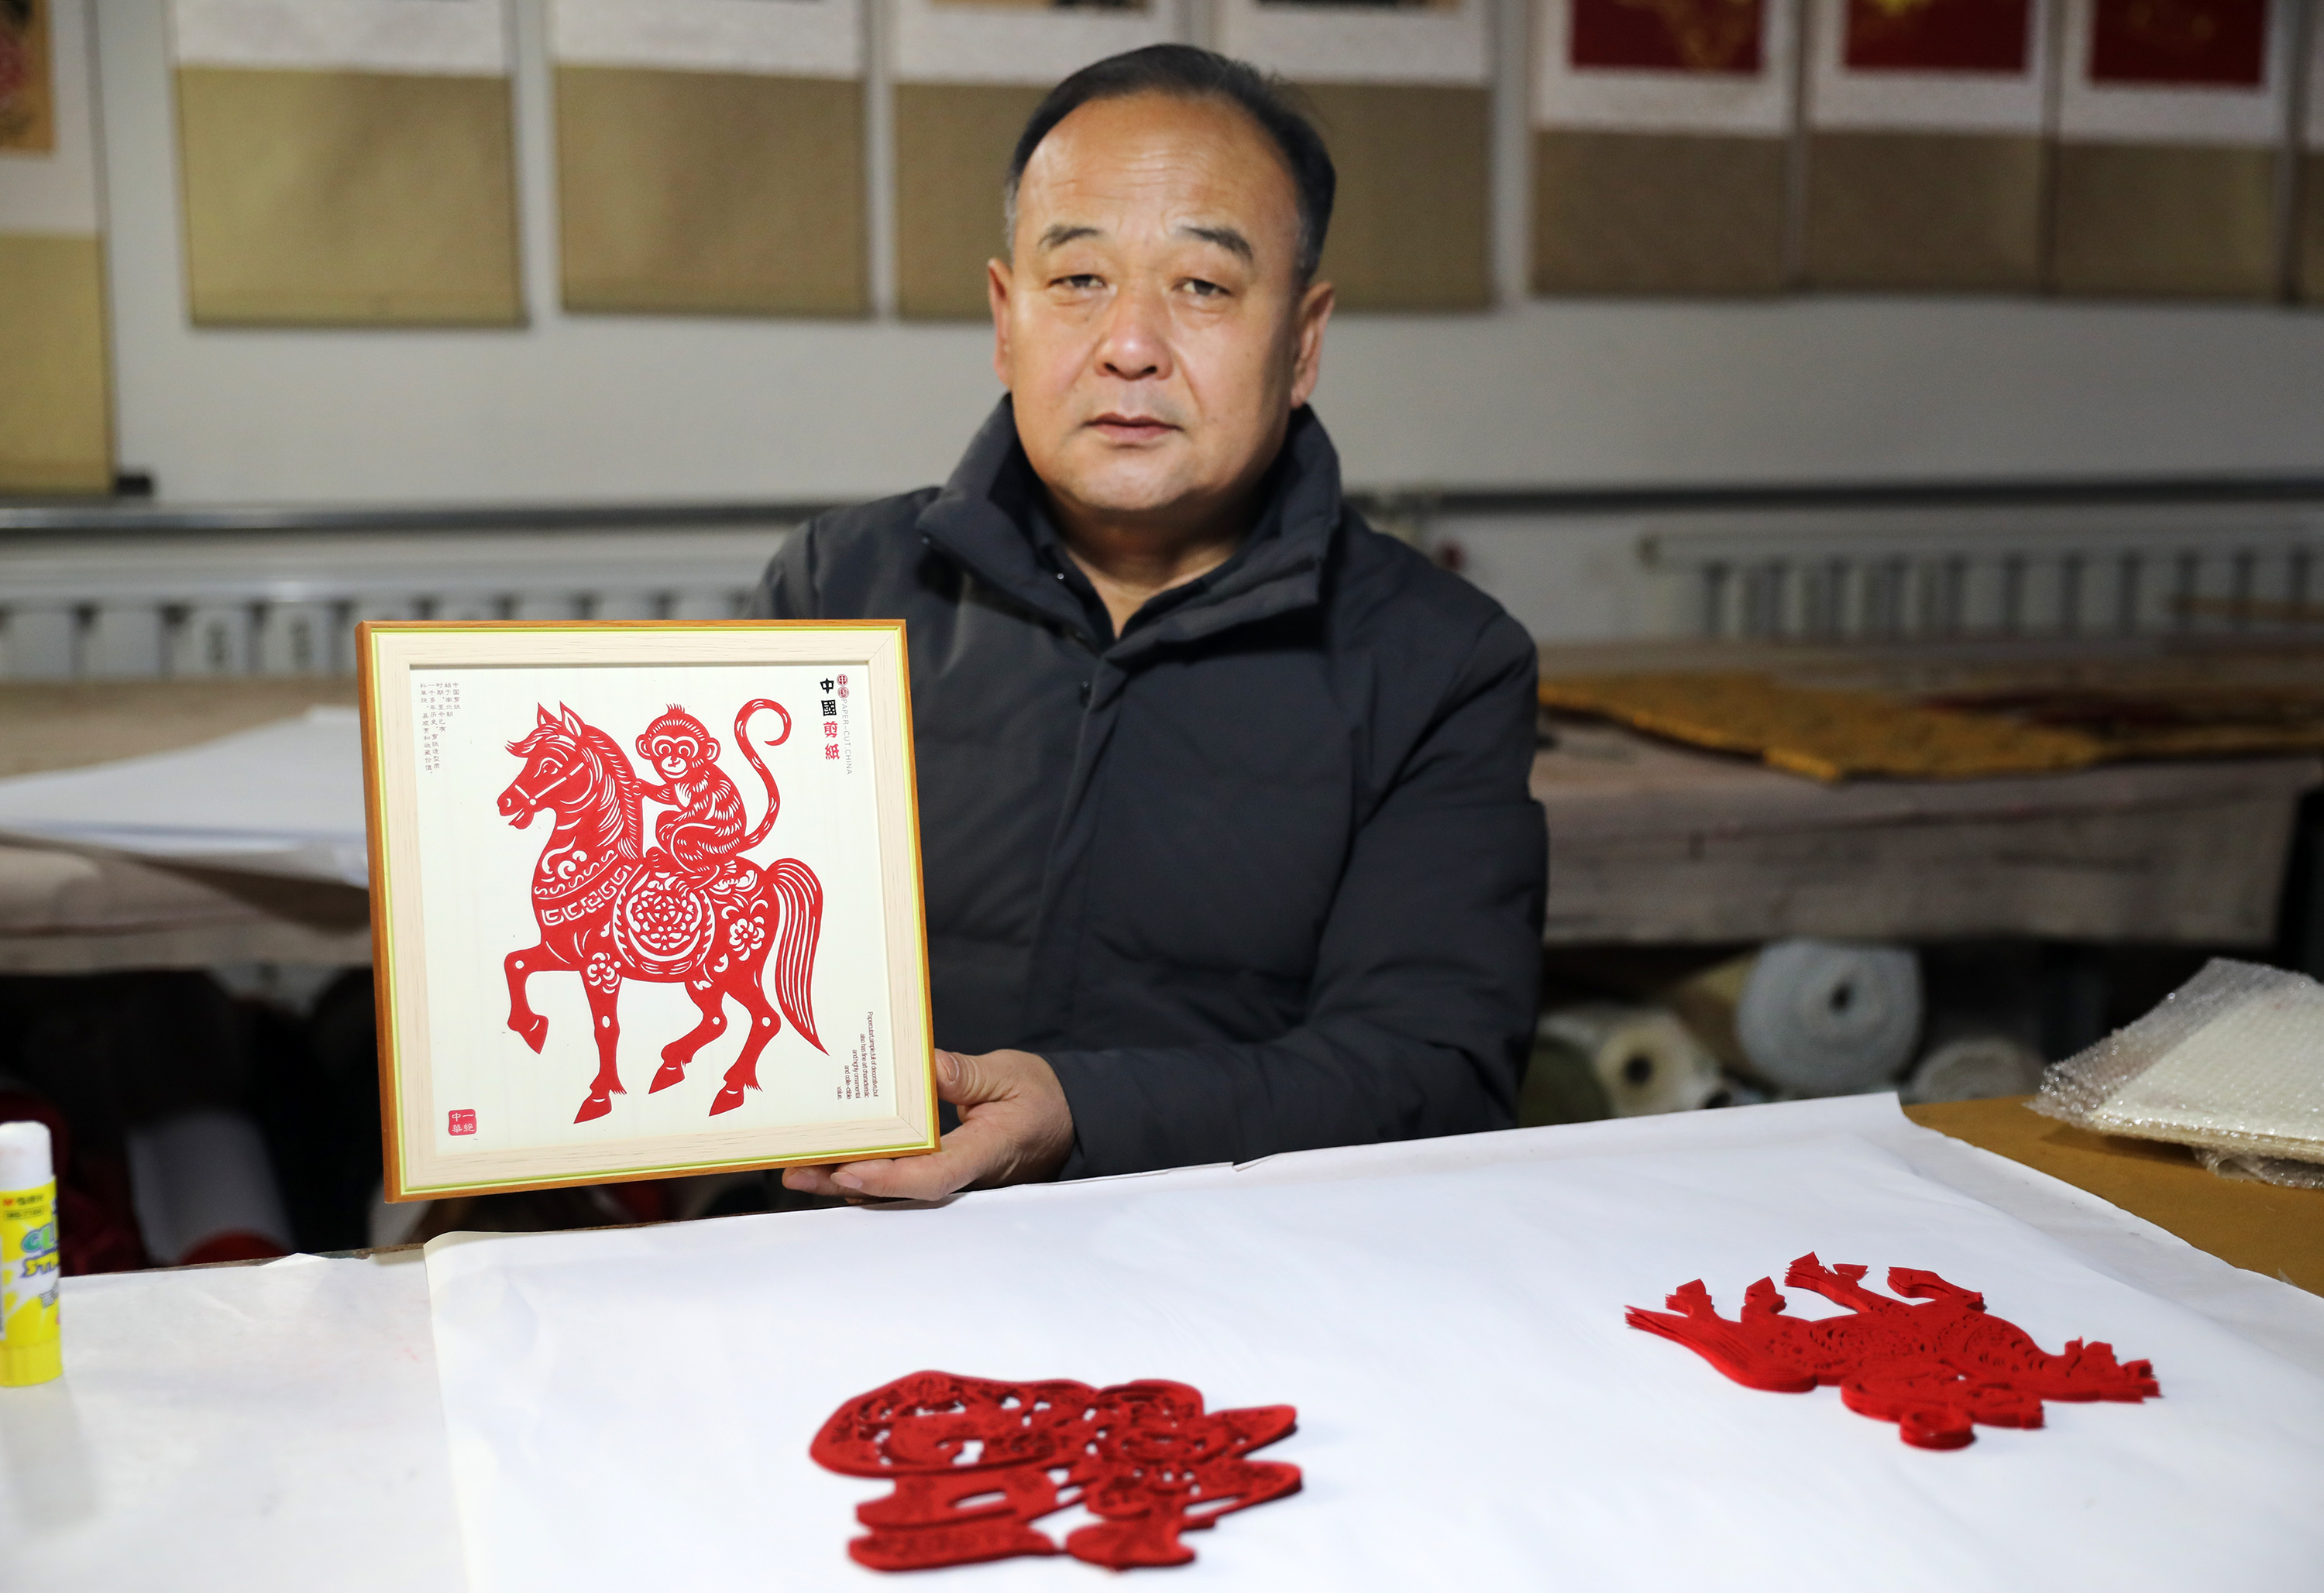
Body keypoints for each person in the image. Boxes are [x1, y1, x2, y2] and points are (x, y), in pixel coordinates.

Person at [759, 45, 1543, 1201]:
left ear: (1303, 343)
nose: (1129, 345)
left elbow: (1435, 1073)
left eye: (1203, 287)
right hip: (846, 1238)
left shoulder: (1442, 662)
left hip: (1240, 1259)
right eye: (1078, 279)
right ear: (1006, 319)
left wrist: (1084, 1115)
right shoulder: (841, 587)